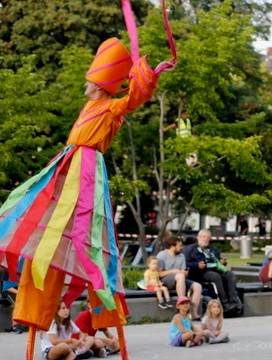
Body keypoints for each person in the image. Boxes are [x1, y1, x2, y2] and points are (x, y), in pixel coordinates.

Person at [0, 36, 175, 343]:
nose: (84, 87)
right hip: (68, 164)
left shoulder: (109, 107)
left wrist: (153, 71)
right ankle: (39, 314)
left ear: (98, 86)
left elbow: (133, 99)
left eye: (88, 83)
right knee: (43, 215)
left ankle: (97, 300)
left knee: (87, 230)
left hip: (86, 171)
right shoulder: (91, 105)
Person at [184, 229, 242, 312]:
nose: (206, 239)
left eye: (208, 237)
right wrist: (197, 265)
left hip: (214, 270)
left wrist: (222, 262)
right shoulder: (190, 249)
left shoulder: (212, 249)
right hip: (200, 272)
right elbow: (186, 263)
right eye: (204, 237)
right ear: (198, 237)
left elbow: (218, 261)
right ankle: (224, 302)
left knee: (230, 274)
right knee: (215, 276)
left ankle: (233, 301)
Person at [157, 236, 202, 319]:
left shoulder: (181, 256)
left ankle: (193, 312)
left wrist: (185, 272)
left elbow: (184, 273)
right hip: (166, 280)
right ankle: (182, 305)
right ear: (172, 246)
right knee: (180, 276)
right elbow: (159, 274)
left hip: (180, 279)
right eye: (180, 246)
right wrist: (173, 271)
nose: (182, 248)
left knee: (197, 286)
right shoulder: (161, 255)